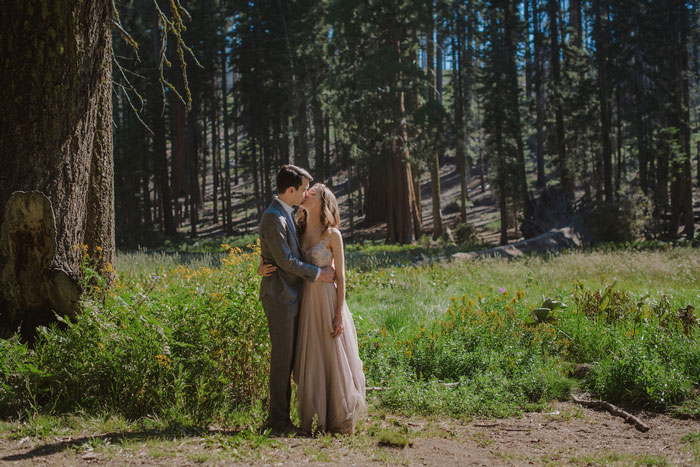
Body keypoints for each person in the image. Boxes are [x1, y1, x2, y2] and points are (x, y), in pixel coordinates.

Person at [259, 183, 366, 434]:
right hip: (304, 300)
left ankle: (337, 418)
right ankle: (311, 415)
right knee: (311, 358)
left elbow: (341, 277)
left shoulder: (333, 235)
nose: (306, 194)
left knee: (332, 357)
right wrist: (260, 268)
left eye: (312, 193)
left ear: (323, 201)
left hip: (328, 301)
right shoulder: (297, 229)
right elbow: (276, 254)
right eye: (306, 191)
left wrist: (339, 314)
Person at [258, 165, 336, 434]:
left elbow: (292, 253)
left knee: (290, 359)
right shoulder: (273, 217)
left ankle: (283, 417)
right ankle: (278, 420)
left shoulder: (288, 214)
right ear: (291, 190)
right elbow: (286, 261)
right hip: (279, 296)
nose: (305, 193)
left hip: (292, 294)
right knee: (282, 360)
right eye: (303, 189)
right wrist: (317, 273)